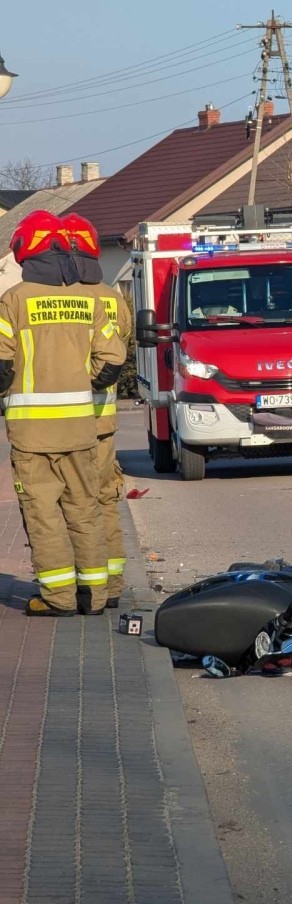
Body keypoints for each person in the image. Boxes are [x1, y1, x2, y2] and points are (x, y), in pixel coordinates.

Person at [1, 210, 127, 616]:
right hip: (81, 426)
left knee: (43, 513)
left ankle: (58, 598)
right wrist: (81, 385)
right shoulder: (85, 299)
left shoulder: (14, 300)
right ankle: (95, 596)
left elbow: (1, 365)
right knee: (85, 509)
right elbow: (112, 356)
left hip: (32, 434)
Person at [64, 212, 134, 611]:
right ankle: (113, 582)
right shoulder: (111, 295)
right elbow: (117, 351)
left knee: (73, 502)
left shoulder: (60, 297)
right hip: (103, 417)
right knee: (105, 499)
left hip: (65, 420)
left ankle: (84, 584)